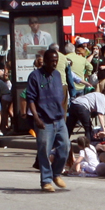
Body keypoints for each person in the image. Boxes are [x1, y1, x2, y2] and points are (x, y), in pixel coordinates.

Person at [27, 49, 70, 192]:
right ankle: (46, 181)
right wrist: (36, 117)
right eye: (52, 60)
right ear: (44, 61)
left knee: (65, 147)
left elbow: (62, 95)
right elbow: (31, 99)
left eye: (56, 60)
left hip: (59, 119)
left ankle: (56, 173)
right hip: (44, 120)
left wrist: (64, 114)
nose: (55, 63)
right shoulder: (35, 76)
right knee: (44, 151)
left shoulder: (57, 75)